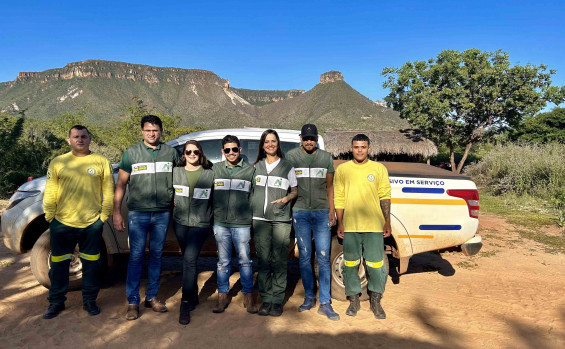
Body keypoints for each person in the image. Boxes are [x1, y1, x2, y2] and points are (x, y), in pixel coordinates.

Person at [42, 125, 114, 319]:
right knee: (58, 266)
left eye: (84, 136)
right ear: (69, 140)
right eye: (76, 137)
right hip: (62, 223)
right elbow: (50, 191)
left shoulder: (101, 161)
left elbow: (108, 191)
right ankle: (56, 302)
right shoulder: (58, 162)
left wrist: (102, 218)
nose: (80, 139)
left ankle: (90, 301)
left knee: (91, 266)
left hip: (91, 224)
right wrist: (50, 217)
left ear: (90, 139)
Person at [113, 115, 179, 321]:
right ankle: (133, 301)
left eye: (156, 130)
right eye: (148, 130)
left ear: (161, 131)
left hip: (162, 213)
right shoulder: (131, 153)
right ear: (142, 131)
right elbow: (121, 184)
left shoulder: (171, 153)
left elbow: (179, 179)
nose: (152, 133)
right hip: (138, 213)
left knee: (157, 255)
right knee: (136, 257)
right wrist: (116, 212)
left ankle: (152, 297)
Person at [334, 133, 391, 319]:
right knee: (350, 265)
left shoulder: (378, 168)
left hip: (374, 226)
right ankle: (354, 300)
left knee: (376, 265)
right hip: (350, 226)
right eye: (356, 147)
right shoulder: (343, 170)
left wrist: (387, 221)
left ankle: (376, 300)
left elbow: (385, 195)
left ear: (369, 148)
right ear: (352, 148)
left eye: (363, 147)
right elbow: (339, 197)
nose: (360, 150)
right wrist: (340, 222)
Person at [286, 124, 339, 320]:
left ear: (317, 139)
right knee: (304, 257)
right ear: (301, 138)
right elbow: (287, 185)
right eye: (306, 138)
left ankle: (325, 302)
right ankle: (309, 297)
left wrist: (331, 210)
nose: (309, 142)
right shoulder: (291, 157)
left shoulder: (326, 157)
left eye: (312, 138)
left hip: (321, 213)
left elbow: (330, 186)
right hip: (300, 213)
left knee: (324, 257)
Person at [251, 129, 298, 317]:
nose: (270, 144)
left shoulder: (287, 167)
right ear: (262, 145)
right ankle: (266, 300)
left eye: (274, 141)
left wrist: (286, 200)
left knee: (279, 261)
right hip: (260, 220)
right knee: (263, 261)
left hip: (280, 220)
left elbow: (294, 191)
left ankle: (277, 301)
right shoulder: (255, 167)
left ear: (278, 144)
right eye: (267, 141)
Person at [211, 135, 257, 314]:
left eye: (234, 149)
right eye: (227, 150)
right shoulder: (215, 169)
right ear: (222, 152)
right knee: (223, 262)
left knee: (245, 261)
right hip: (221, 223)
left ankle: (248, 296)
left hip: (242, 224)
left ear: (240, 150)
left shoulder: (249, 171)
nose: (231, 153)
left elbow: (254, 197)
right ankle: (222, 296)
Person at [172, 140, 214, 325]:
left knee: (189, 259)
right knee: (189, 260)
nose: (192, 155)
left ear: (201, 153)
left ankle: (185, 303)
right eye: (188, 152)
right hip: (180, 222)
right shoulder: (175, 172)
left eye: (195, 152)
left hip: (201, 224)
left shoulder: (210, 174)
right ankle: (194, 295)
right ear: (184, 154)